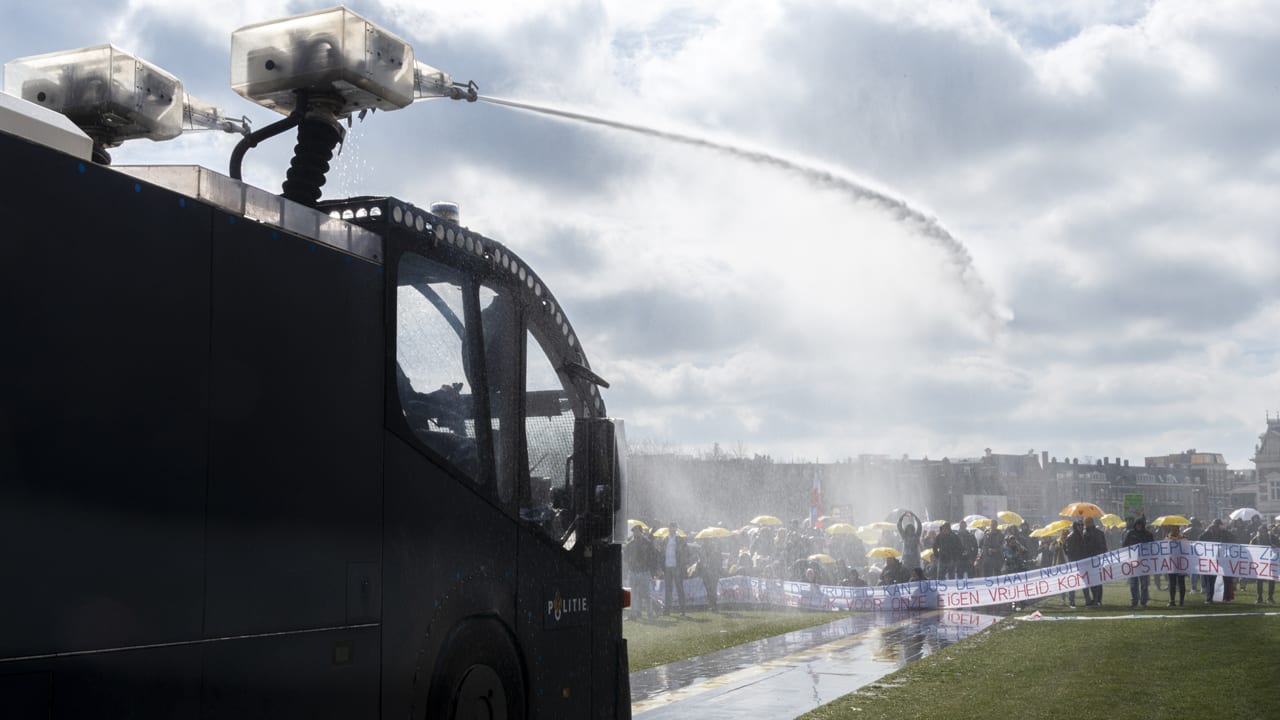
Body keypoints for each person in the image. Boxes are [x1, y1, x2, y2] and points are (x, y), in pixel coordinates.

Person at [624, 525, 657, 619]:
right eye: (634, 531)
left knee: (646, 595)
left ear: (640, 532)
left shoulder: (647, 542)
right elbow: (625, 556)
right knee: (633, 595)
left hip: (644, 571)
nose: (635, 533)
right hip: (633, 571)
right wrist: (629, 564)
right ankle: (633, 614)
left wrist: (652, 570)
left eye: (636, 531)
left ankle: (650, 614)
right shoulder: (630, 543)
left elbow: (652, 556)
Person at [1122, 517, 1154, 609]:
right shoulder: (1130, 534)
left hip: (1144, 563)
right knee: (1133, 584)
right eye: (1137, 525)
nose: (1139, 526)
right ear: (1135, 525)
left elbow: (1153, 547)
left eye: (1140, 525)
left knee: (1144, 584)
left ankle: (1143, 602)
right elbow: (1124, 545)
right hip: (1133, 562)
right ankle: (1134, 601)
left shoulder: (1148, 534)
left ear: (1143, 525)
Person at [1199, 518, 1229, 603]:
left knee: (1226, 579)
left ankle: (1226, 598)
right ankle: (1209, 598)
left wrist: (1225, 531)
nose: (1216, 528)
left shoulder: (1224, 534)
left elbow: (1231, 539)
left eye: (1218, 526)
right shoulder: (1207, 534)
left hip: (1222, 559)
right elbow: (1200, 539)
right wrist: (1206, 531)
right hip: (1211, 560)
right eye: (1215, 526)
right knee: (1210, 580)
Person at [661, 522, 688, 616]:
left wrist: (682, 564)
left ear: (676, 528)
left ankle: (682, 610)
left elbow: (685, 552)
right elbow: (662, 553)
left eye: (673, 528)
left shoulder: (680, 539)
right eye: (670, 527)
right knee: (668, 589)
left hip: (677, 566)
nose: (671, 529)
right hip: (667, 566)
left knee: (679, 588)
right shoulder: (665, 539)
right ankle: (667, 610)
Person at [1082, 516, 1108, 606]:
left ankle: (1097, 599)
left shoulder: (1085, 534)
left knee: (1094, 581)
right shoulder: (1098, 533)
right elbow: (1104, 547)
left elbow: (1086, 547)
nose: (1087, 524)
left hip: (1092, 559)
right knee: (1096, 581)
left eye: (1087, 522)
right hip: (1095, 559)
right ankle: (1098, 599)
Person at [1251, 524, 1277, 604]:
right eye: (1261, 531)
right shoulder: (1255, 539)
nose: (1263, 533)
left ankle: (1270, 597)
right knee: (1259, 580)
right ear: (1258, 532)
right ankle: (1259, 598)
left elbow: (1278, 546)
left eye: (1264, 531)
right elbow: (1251, 548)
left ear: (1266, 531)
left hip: (1271, 562)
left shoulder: (1272, 538)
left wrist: (1274, 546)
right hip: (1260, 563)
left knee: (1271, 580)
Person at [1166, 524, 1187, 607]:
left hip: (1181, 563)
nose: (1174, 530)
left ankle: (1181, 601)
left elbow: (1187, 548)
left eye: (1176, 528)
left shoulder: (1183, 538)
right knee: (1172, 583)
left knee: (1181, 582)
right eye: (1172, 528)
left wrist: (1180, 540)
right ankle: (1172, 601)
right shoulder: (1167, 537)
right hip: (1171, 563)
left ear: (1178, 529)